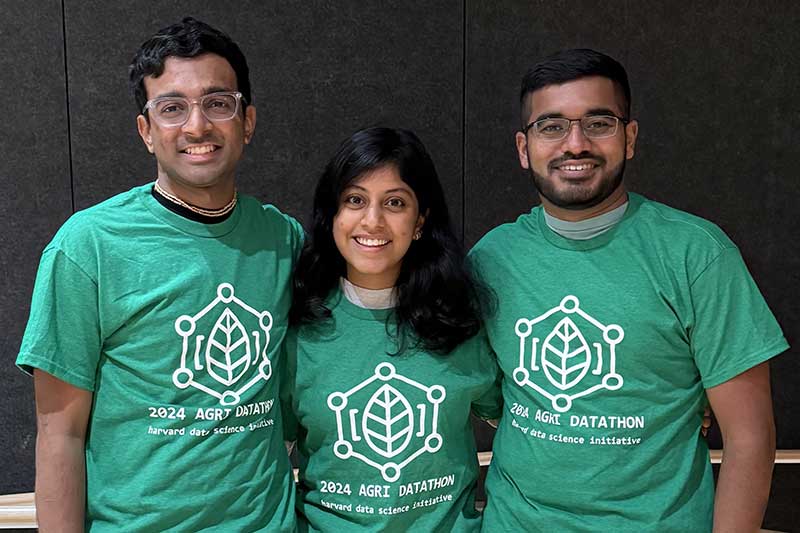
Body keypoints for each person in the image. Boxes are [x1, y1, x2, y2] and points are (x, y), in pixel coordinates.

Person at [469, 48, 789, 532]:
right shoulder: (491, 259)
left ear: (630, 136)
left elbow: (751, 438)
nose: (574, 144)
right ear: (523, 146)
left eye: (598, 123)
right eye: (551, 126)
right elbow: (486, 390)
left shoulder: (696, 255)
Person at [17, 18, 300, 532]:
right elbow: (59, 433)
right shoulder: (88, 246)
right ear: (147, 132)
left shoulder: (284, 239)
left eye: (218, 103)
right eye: (172, 108)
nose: (197, 126)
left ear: (248, 121)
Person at [282, 127, 502, 531]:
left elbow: (519, 425)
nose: (372, 221)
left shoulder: (461, 321)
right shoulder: (298, 328)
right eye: (354, 200)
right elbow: (268, 457)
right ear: (331, 214)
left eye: (394, 203)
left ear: (420, 220)